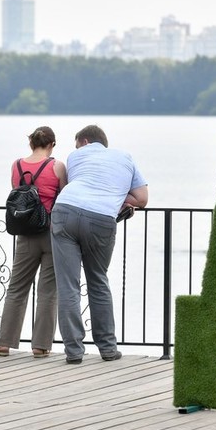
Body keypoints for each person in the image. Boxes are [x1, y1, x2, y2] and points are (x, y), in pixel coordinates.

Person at [51, 125, 148, 364]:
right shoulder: (125, 157)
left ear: (84, 142)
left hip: (65, 211)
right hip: (101, 219)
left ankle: (74, 351)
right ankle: (107, 348)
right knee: (98, 281)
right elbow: (142, 199)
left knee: (68, 285)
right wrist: (117, 194)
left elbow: (77, 184)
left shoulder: (75, 156)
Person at [0, 126, 67, 358]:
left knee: (17, 288)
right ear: (52, 144)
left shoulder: (17, 165)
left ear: (31, 143)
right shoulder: (57, 166)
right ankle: (41, 346)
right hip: (52, 232)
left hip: (25, 233)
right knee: (48, 291)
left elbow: (17, 191)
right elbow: (64, 195)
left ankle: (3, 344)